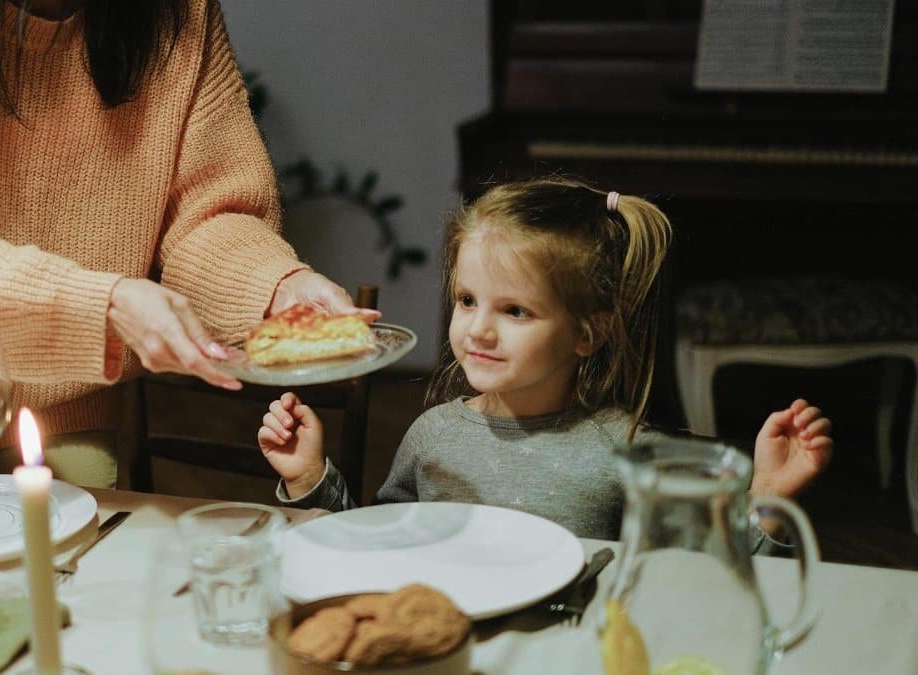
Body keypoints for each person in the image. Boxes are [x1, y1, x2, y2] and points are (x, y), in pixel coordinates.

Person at [0, 0, 372, 487]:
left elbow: (207, 213)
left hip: (59, 386)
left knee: (83, 579)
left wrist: (275, 285)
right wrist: (102, 306)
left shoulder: (180, 14)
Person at [257, 178, 833, 543]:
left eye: (516, 311)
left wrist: (768, 498)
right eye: (465, 300)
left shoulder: (623, 449)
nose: (478, 328)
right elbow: (374, 547)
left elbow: (709, 573)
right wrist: (309, 476)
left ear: (587, 334)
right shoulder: (431, 434)